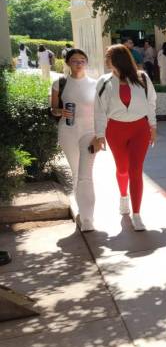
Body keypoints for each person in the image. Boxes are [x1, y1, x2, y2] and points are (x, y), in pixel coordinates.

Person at [93, 44, 157, 231]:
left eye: (108, 57)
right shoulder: (104, 82)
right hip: (115, 129)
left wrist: (152, 126)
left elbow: (151, 102)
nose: (106, 60)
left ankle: (136, 214)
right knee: (122, 169)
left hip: (140, 129)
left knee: (135, 170)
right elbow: (99, 110)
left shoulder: (142, 78)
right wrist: (99, 134)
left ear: (117, 59)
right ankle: (123, 197)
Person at [50, 49, 98, 232]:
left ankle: (87, 219)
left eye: (82, 60)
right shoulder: (59, 84)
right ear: (68, 63)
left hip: (90, 132)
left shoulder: (95, 84)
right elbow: (53, 109)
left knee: (86, 175)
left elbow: (102, 112)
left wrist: (100, 136)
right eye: (75, 60)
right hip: (68, 131)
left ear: (86, 63)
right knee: (76, 174)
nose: (79, 63)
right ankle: (81, 211)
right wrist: (60, 111)